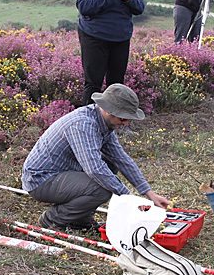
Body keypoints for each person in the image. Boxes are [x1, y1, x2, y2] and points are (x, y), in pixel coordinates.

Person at [21, 84, 170, 230]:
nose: (126, 123)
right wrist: (128, 198)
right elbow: (94, 169)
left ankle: (79, 218)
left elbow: (121, 159)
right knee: (101, 188)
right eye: (123, 119)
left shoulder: (103, 123)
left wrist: (149, 193)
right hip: (40, 179)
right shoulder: (83, 125)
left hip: (61, 172)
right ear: (107, 110)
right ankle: (53, 219)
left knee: (110, 166)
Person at [76, 0, 146, 106]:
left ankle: (113, 121)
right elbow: (84, 6)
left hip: (120, 39)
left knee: (116, 84)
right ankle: (88, 120)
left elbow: (140, 8)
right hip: (94, 38)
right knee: (93, 83)